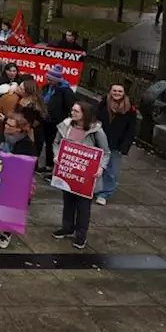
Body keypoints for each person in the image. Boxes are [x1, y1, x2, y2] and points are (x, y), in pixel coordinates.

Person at [52, 102, 111, 249]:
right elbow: (56, 143)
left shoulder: (96, 130)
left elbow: (106, 152)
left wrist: (101, 168)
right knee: (68, 202)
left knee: (84, 207)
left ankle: (81, 235)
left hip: (87, 176)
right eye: (72, 110)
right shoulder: (65, 126)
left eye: (76, 111)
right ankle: (67, 227)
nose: (72, 113)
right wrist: (56, 155)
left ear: (85, 113)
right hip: (68, 173)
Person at [0, 113, 39, 249]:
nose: (6, 127)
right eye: (6, 124)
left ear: (19, 129)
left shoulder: (27, 145)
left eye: (10, 125)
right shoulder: (0, 137)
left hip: (16, 183)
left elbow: (32, 165)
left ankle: (6, 233)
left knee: (12, 208)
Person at [96, 84, 137, 205]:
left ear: (124, 93)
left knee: (111, 170)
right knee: (96, 167)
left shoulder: (130, 109)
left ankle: (104, 194)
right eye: (114, 90)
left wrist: (125, 146)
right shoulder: (103, 103)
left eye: (120, 91)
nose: (117, 93)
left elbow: (131, 129)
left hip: (116, 144)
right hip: (100, 140)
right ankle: (94, 189)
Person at [40, 65, 76, 171]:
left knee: (55, 144)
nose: (49, 81)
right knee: (48, 143)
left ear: (58, 80)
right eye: (48, 79)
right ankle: (48, 165)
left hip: (58, 122)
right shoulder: (47, 87)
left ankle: (55, 168)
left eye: (51, 80)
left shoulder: (65, 91)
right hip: (46, 120)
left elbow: (71, 106)